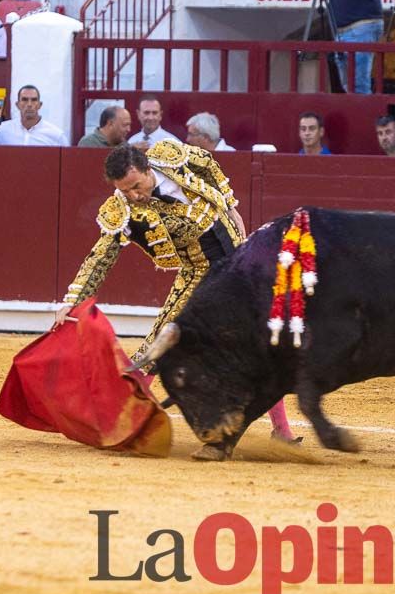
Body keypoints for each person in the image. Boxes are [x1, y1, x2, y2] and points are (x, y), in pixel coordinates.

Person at [51, 142, 298, 442]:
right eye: (124, 190)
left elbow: (206, 162)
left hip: (238, 264)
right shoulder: (122, 210)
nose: (132, 195)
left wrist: (231, 205)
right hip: (199, 273)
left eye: (135, 186)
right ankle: (119, 420)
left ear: (147, 169)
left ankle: (282, 432)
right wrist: (73, 301)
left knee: (261, 344)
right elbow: (101, 255)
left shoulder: (171, 157)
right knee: (160, 343)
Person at [0, 83, 67, 145]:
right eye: (25, 100)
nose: (29, 104)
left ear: (40, 105)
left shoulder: (56, 135)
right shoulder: (4, 129)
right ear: (17, 105)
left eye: (33, 100)